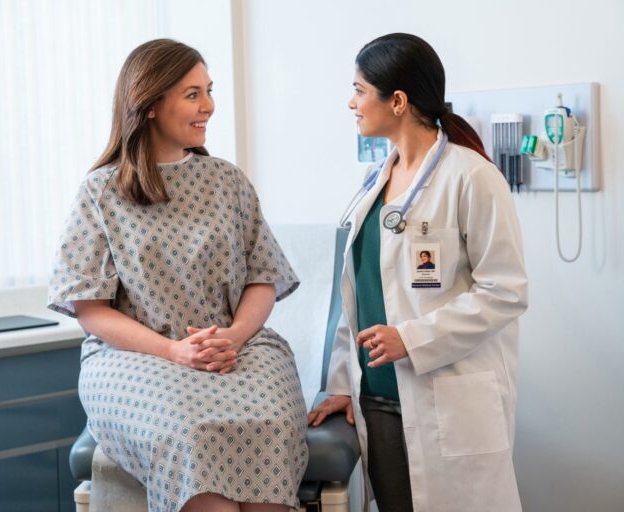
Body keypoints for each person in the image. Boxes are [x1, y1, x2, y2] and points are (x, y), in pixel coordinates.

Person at [48, 39, 307, 512]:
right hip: (134, 357)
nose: (208, 106)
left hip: (238, 347)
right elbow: (90, 309)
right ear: (149, 103)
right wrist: (174, 351)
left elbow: (262, 278)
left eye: (209, 91)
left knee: (271, 425)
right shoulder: (101, 193)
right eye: (192, 94)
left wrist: (232, 336)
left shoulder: (227, 181)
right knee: (191, 434)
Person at [307, 33, 528, 512]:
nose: (352, 102)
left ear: (399, 101)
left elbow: (505, 292)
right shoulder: (374, 183)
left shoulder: (472, 178)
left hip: (448, 394)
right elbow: (358, 295)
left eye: (360, 90)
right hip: (379, 399)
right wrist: (343, 382)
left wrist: (412, 338)